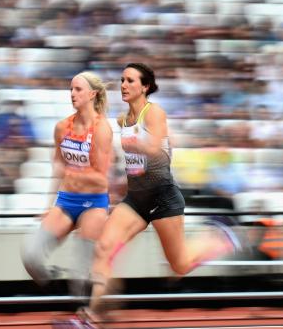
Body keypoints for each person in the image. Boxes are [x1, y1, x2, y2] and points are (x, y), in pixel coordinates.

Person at [79, 63, 240, 326]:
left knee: (179, 265)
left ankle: (218, 239)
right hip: (136, 199)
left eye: (130, 81)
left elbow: (157, 150)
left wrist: (136, 144)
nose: (124, 85)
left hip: (162, 197)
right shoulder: (123, 119)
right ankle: (94, 314)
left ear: (145, 87)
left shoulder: (154, 114)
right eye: (122, 80)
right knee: (104, 247)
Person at [21, 71, 113, 298]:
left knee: (79, 280)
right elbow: (58, 167)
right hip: (66, 201)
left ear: (92, 94)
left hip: (93, 204)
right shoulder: (62, 127)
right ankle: (53, 283)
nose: (72, 94)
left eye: (78, 89)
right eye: (70, 89)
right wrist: (48, 205)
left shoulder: (102, 129)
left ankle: (82, 311)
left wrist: (75, 174)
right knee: (31, 256)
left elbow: (101, 178)